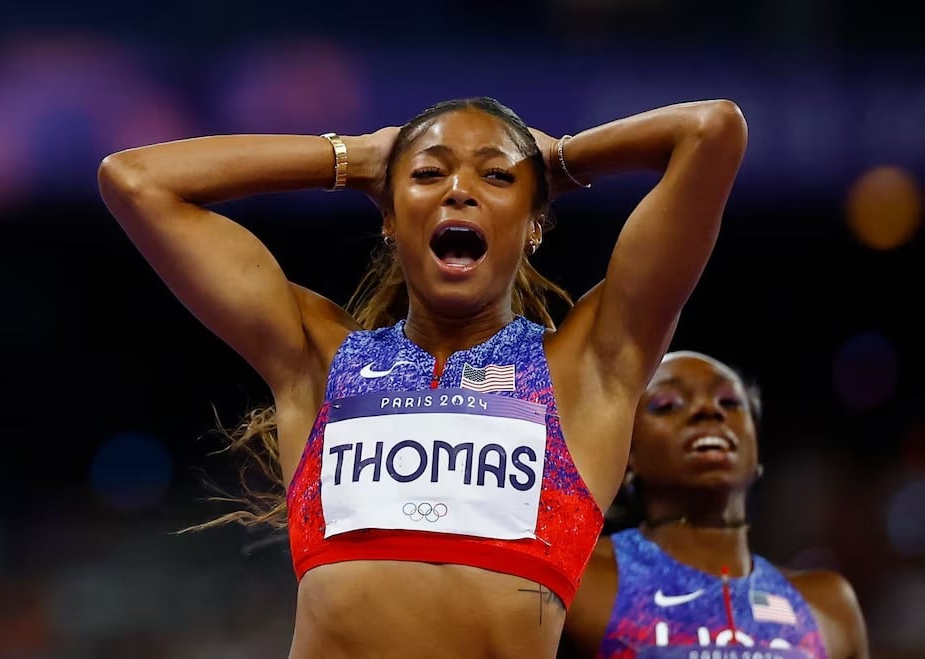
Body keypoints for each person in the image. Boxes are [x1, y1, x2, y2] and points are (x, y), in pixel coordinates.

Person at [97, 96, 747, 658]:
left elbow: (710, 132)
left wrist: (560, 164)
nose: (458, 189)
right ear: (389, 218)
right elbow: (136, 180)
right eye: (428, 173)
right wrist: (354, 157)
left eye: (495, 176)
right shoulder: (320, 361)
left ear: (533, 228)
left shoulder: (588, 368)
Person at [559, 351, 869, 659]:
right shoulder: (578, 579)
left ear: (756, 450)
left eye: (730, 403)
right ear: (626, 453)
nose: (708, 410)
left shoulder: (828, 606)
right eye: (668, 404)